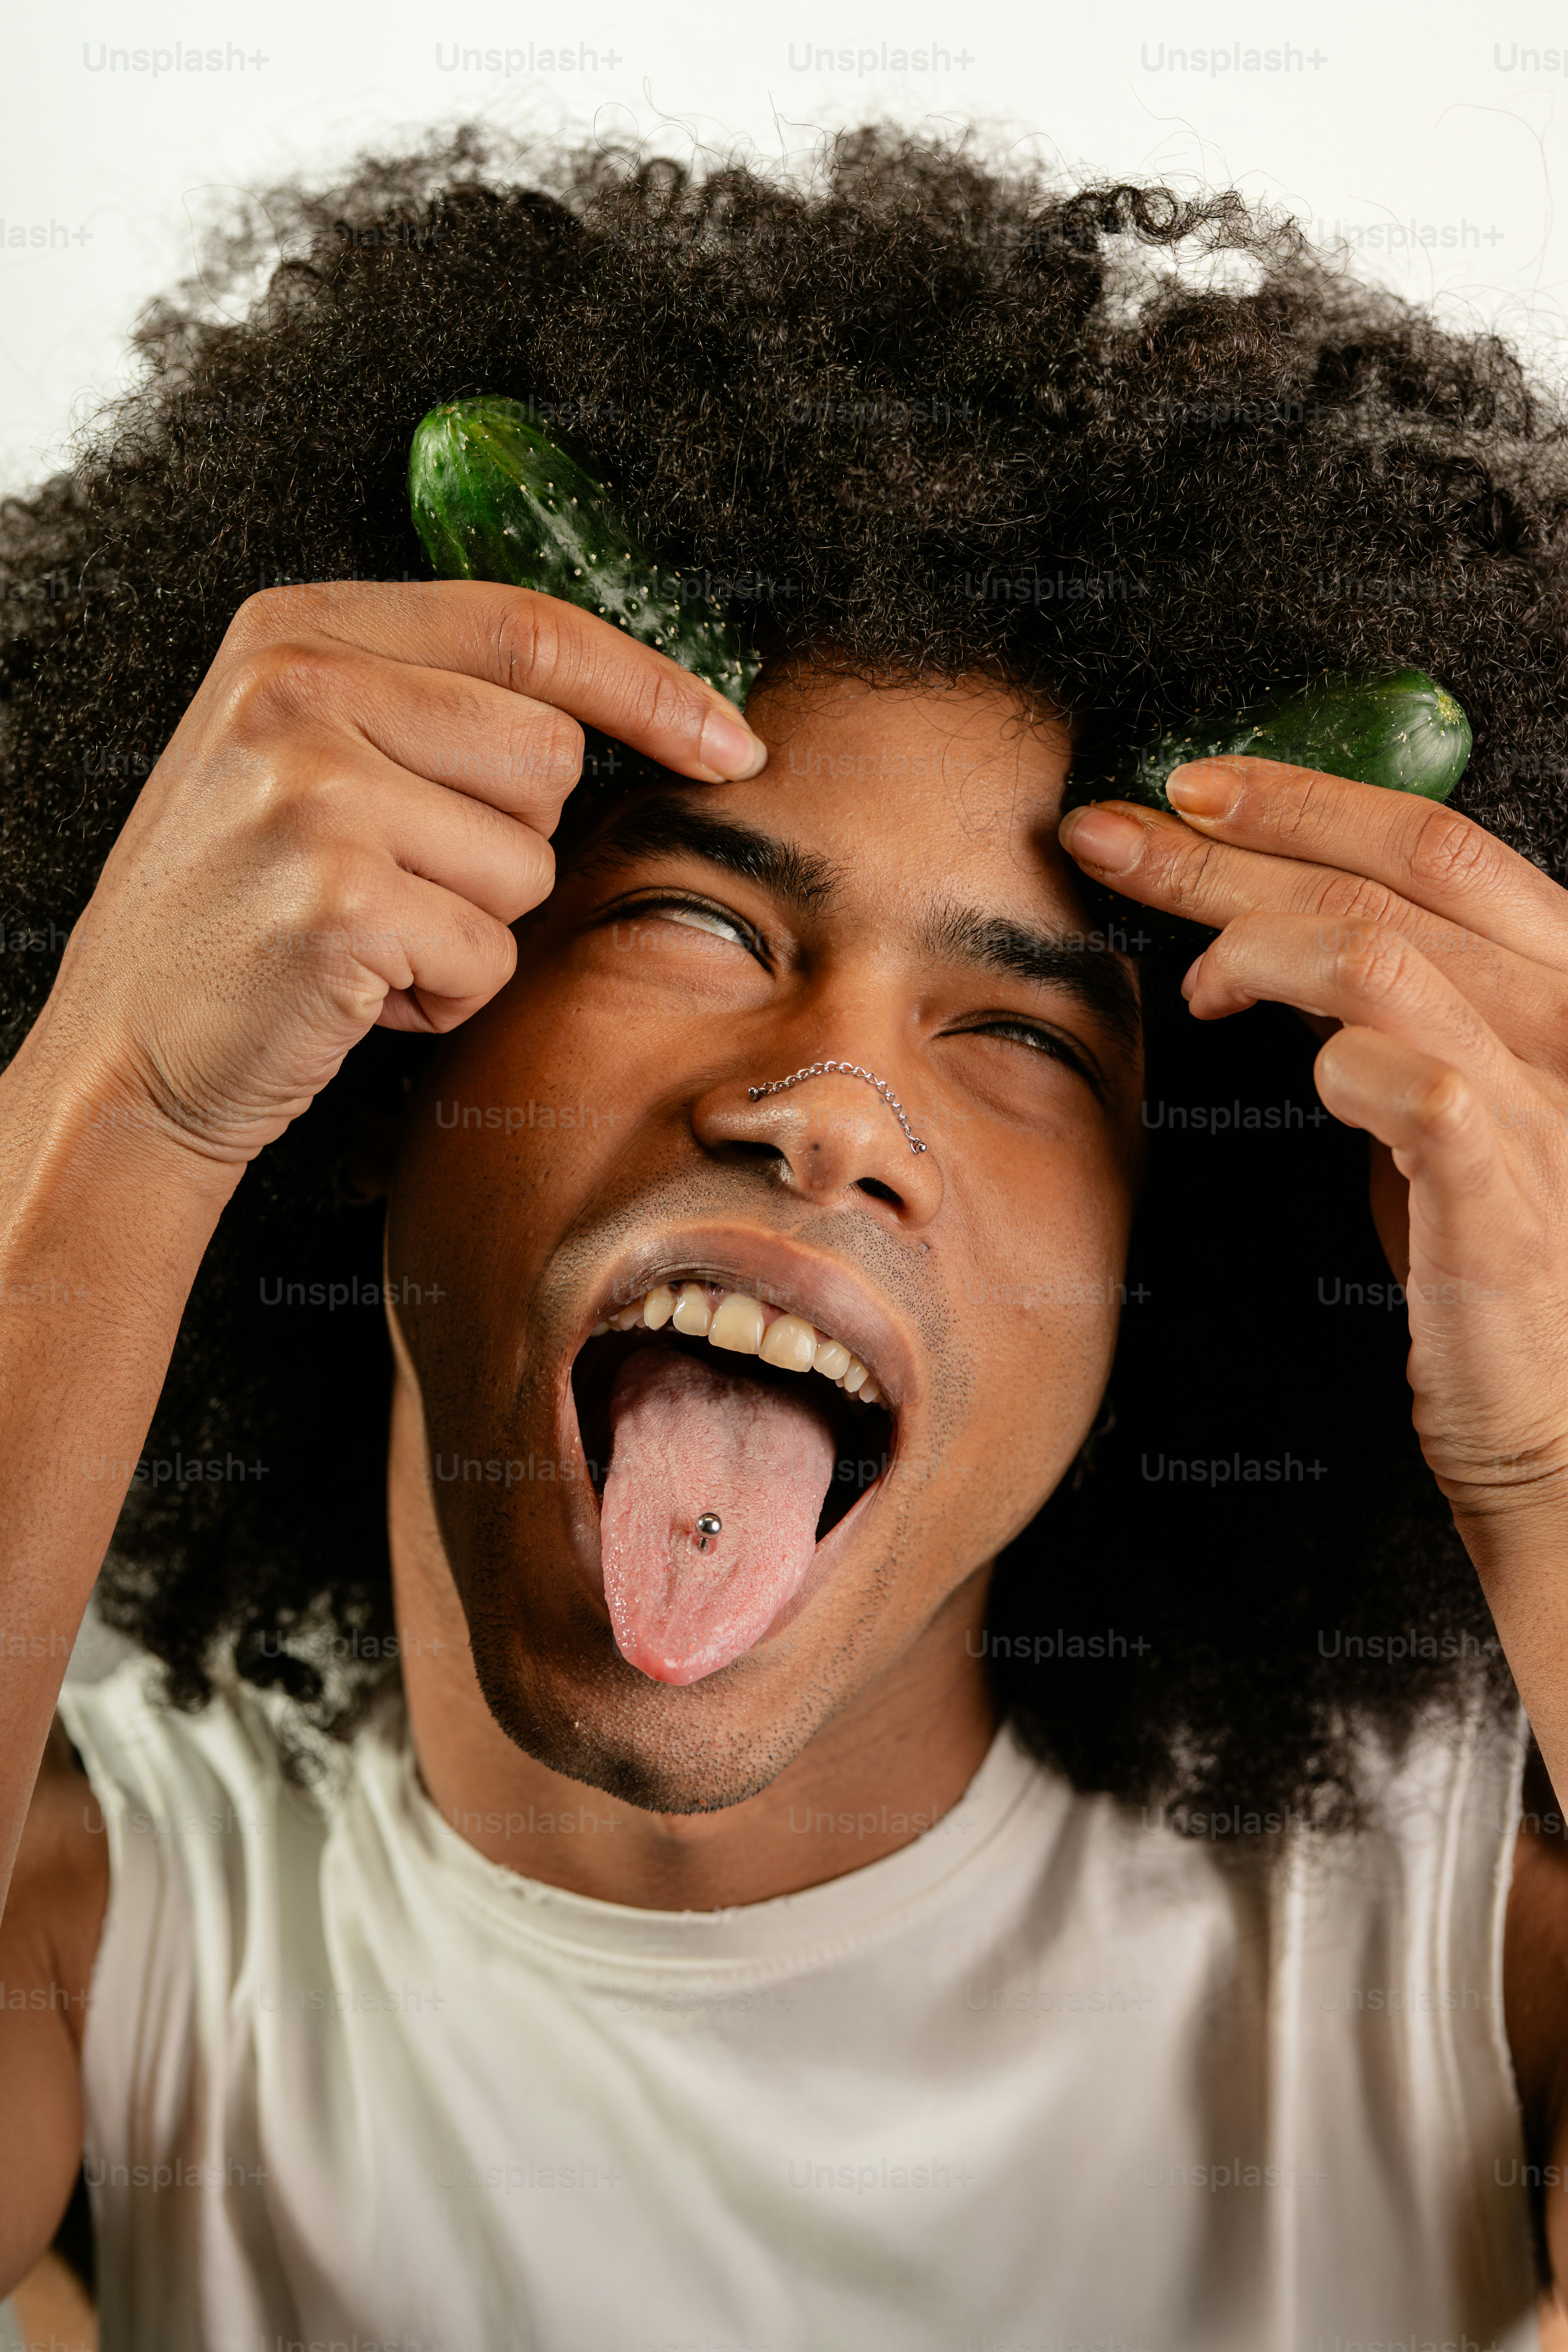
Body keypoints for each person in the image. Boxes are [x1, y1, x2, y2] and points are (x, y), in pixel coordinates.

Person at [3, 128, 1568, 2349]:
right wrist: (129, 1102)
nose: (833, 1115)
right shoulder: (109, 1928)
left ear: (1150, 1267)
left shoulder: (1442, 1976)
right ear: (369, 1053)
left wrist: (1555, 1469)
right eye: (693, 916)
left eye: (1025, 1033)